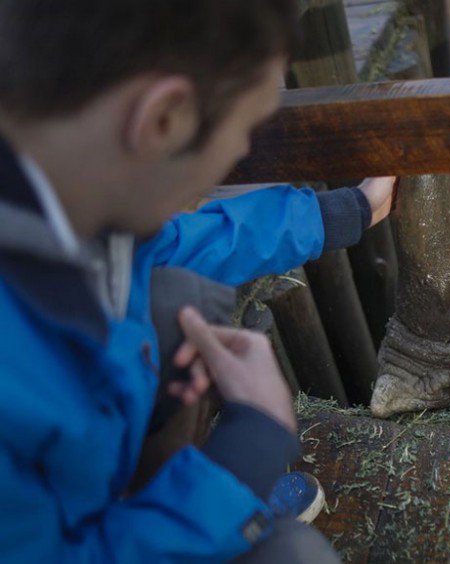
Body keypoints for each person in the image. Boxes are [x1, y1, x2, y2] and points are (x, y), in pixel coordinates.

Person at [0, 0, 396, 561]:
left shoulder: (64, 187)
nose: (240, 149)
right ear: (163, 119)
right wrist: (248, 450)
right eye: (248, 128)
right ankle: (202, 508)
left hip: (71, 478)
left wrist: (343, 212)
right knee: (294, 554)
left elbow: (179, 245)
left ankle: (166, 500)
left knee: (180, 297)